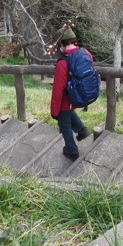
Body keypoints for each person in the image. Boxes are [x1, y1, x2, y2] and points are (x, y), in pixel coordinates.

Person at [50, 26, 92, 160]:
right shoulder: (85, 53)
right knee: (68, 112)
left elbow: (58, 89)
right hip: (80, 94)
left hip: (66, 99)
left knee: (64, 122)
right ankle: (82, 130)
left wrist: (54, 111)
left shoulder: (63, 63)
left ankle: (71, 150)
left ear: (62, 43)